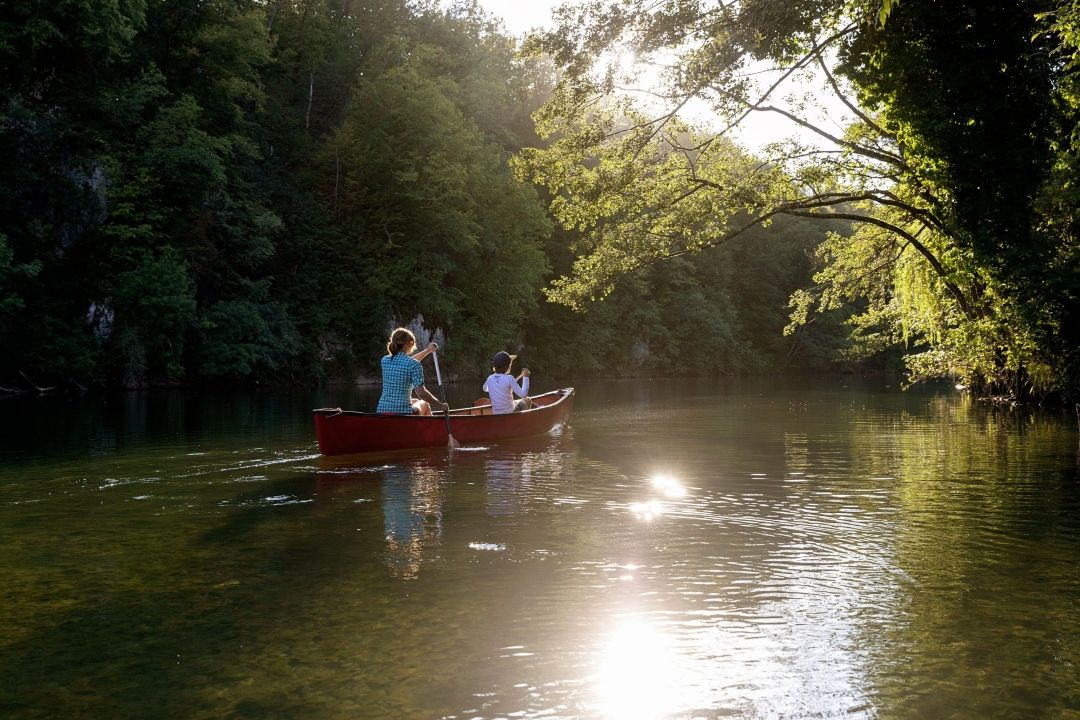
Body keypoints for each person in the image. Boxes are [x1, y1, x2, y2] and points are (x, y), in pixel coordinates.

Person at [376, 328, 448, 416]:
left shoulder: (385, 360)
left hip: (382, 411)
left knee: (415, 401)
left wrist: (428, 350)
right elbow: (421, 393)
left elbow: (406, 362)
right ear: (409, 343)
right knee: (424, 403)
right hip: (403, 413)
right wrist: (440, 405)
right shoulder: (413, 364)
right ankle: (427, 429)